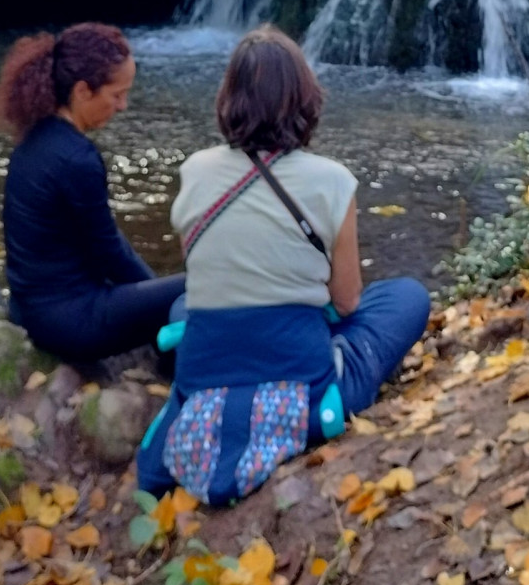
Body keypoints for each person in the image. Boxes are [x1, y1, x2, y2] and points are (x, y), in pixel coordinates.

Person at [138, 25, 430, 504]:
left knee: (185, 307)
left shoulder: (194, 171)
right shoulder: (333, 181)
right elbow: (349, 299)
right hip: (305, 387)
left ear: (227, 100)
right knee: (406, 296)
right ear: (306, 99)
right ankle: (300, 385)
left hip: (206, 372)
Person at [0, 22, 184, 365]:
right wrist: (159, 297)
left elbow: (102, 243)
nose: (123, 106)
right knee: (196, 288)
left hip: (29, 308)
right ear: (83, 91)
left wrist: (150, 294)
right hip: (69, 322)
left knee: (161, 293)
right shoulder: (76, 158)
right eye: (116, 95)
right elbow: (109, 253)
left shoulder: (35, 134)